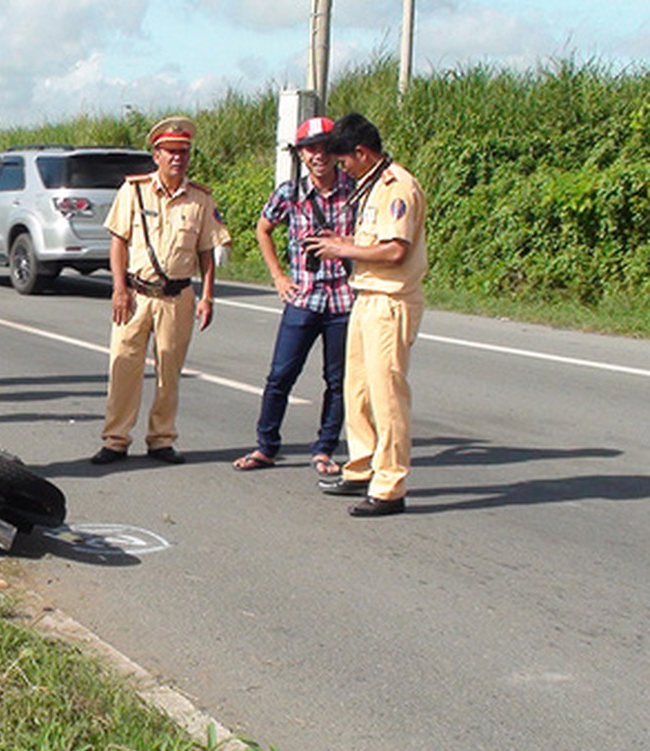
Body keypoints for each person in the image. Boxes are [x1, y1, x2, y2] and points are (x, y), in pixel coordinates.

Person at [305, 113, 429, 517]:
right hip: (365, 295)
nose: (343, 170)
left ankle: (390, 484)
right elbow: (370, 243)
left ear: (361, 152)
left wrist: (343, 251)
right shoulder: (370, 186)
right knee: (356, 389)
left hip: (389, 301)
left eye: (344, 162)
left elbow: (395, 250)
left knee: (386, 396)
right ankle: (362, 466)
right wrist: (343, 242)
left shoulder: (398, 187)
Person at [91, 116, 231, 466]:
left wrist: (208, 295)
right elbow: (118, 242)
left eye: (183, 152)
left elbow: (206, 251)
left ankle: (161, 438)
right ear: (156, 154)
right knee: (123, 366)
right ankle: (116, 438)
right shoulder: (134, 191)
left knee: (169, 369)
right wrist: (119, 288)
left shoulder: (199, 199)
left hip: (176, 297)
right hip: (136, 296)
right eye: (170, 151)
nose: (177, 158)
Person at [233, 116, 357, 476]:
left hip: (344, 301)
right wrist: (278, 276)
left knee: (338, 382)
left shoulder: (355, 190)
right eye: (310, 148)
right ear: (301, 154)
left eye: (324, 147)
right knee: (280, 376)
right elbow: (263, 228)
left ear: (335, 151)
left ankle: (324, 448)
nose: (318, 155)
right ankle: (266, 446)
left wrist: (346, 247)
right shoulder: (289, 193)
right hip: (303, 298)